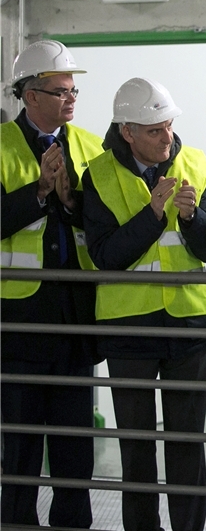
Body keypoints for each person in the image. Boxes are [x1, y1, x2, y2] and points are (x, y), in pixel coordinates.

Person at [82, 77, 206, 531]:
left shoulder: (194, 162)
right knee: (137, 446)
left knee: (187, 443)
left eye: (168, 127)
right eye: (154, 131)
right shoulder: (98, 175)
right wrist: (153, 214)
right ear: (126, 131)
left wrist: (191, 216)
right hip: (129, 328)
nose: (167, 139)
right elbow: (106, 257)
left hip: (188, 325)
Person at [1, 40, 102, 527]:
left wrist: (69, 199)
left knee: (74, 439)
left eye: (73, 89)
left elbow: (100, 221)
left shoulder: (89, 145)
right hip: (19, 317)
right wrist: (39, 191)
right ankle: (18, 521)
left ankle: (72, 522)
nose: (70, 98)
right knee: (18, 439)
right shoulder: (0, 147)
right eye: (59, 90)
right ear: (29, 95)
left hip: (73, 314)